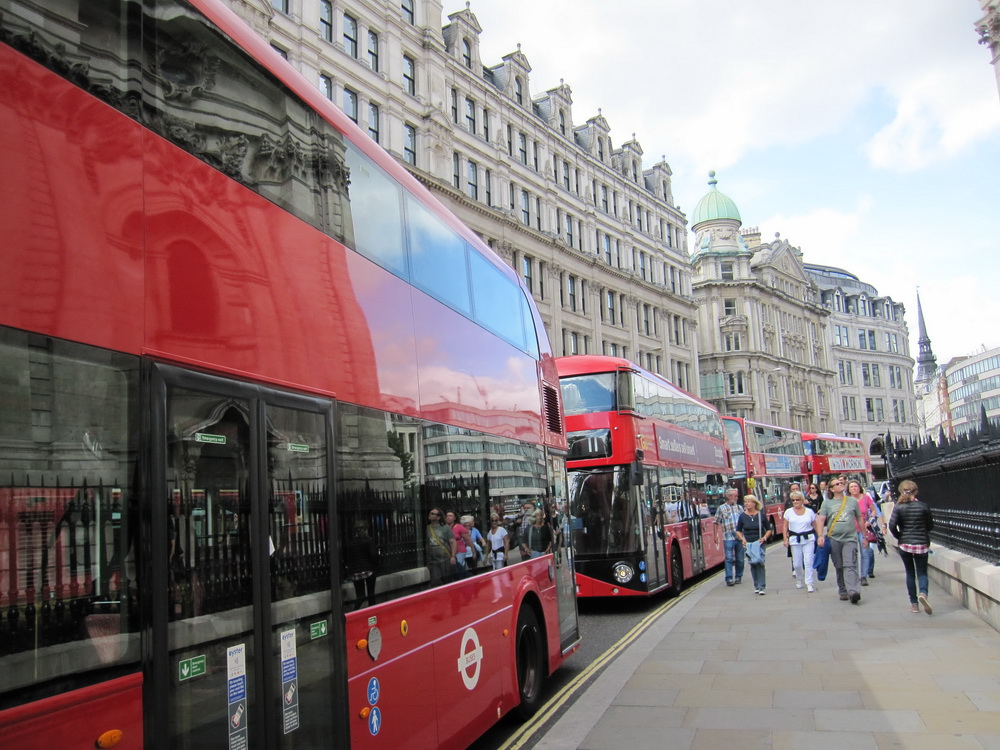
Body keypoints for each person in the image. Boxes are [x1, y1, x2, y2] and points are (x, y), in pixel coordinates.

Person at [888, 479, 935, 615]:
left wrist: (899, 537)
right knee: (922, 572)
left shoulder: (898, 507)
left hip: (905, 544)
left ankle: (914, 604)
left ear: (901, 491)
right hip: (921, 544)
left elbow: (892, 525)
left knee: (910, 573)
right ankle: (923, 593)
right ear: (916, 491)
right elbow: (930, 526)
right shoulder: (923, 506)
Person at [815, 477, 863, 604]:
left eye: (841, 483)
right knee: (839, 565)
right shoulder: (827, 503)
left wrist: (865, 536)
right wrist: (820, 536)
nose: (840, 484)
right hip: (834, 538)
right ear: (831, 489)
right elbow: (821, 519)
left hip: (850, 538)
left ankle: (853, 591)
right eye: (837, 484)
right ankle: (842, 590)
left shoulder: (852, 501)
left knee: (850, 564)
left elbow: (859, 518)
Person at [735, 495, 772, 595]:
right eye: (745, 502)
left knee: (760, 563)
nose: (746, 504)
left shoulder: (761, 515)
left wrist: (764, 538)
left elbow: (769, 529)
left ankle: (762, 587)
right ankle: (756, 585)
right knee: (753, 564)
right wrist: (742, 539)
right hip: (749, 543)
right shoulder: (742, 516)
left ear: (754, 503)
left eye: (749, 502)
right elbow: (738, 530)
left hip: (760, 543)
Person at [849, 480, 883, 586]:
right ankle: (854, 575)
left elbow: (874, 510)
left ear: (859, 488)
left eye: (856, 486)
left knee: (865, 553)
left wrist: (870, 520)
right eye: (851, 487)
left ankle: (863, 576)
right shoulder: (847, 500)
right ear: (849, 489)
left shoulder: (865, 498)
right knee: (852, 554)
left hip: (864, 529)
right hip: (851, 530)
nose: (854, 488)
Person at [782, 491, 817, 593]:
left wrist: (819, 536)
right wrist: (785, 539)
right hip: (794, 539)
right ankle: (799, 579)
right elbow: (785, 527)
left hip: (808, 538)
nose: (795, 502)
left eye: (797, 499)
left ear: (802, 500)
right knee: (797, 563)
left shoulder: (809, 512)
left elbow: (815, 525)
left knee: (808, 562)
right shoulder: (788, 512)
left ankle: (809, 583)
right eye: (793, 500)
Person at [344, 519, 380, 610]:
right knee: (371, 594)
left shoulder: (350, 543)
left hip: (355, 572)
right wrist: (375, 566)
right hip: (369, 570)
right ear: (365, 530)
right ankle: (372, 612)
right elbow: (374, 556)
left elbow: (347, 558)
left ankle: (355, 612)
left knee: (360, 596)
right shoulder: (369, 541)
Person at [713, 487, 745, 586]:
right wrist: (716, 535)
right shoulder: (721, 508)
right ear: (729, 497)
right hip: (728, 537)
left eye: (736, 496)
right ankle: (729, 578)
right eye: (734, 496)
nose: (736, 498)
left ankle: (739, 576)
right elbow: (716, 522)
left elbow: (744, 521)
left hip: (740, 537)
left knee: (740, 559)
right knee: (729, 558)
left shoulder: (740, 508)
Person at [426, 508, 455, 586]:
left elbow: (452, 542)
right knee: (435, 582)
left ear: (438, 517)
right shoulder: (428, 528)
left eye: (433, 513)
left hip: (444, 559)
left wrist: (453, 556)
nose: (430, 514)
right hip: (433, 561)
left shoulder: (446, 528)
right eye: (430, 512)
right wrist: (428, 559)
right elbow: (428, 544)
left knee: (446, 581)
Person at [446, 510, 473, 578]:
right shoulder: (445, 528)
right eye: (447, 516)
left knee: (457, 568)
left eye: (450, 516)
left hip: (460, 551)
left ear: (454, 518)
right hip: (449, 551)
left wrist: (473, 550)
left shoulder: (459, 527)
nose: (448, 517)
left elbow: (468, 539)